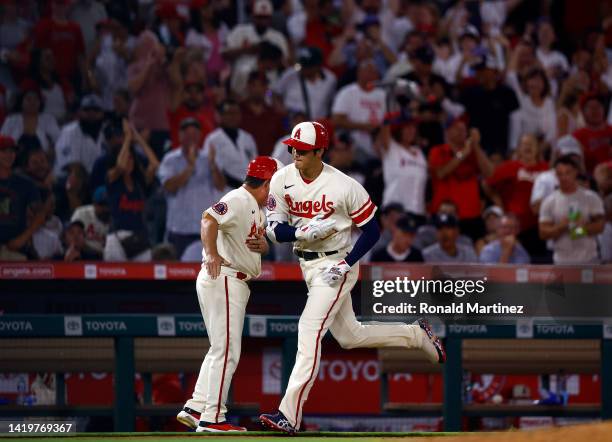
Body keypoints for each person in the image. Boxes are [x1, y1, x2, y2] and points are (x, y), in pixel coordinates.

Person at [259, 121, 445, 434]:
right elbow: (273, 230)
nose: (295, 153)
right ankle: (416, 335)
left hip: (336, 265)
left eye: (303, 150)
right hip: (307, 264)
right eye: (293, 147)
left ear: (320, 151)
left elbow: (373, 230)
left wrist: (347, 263)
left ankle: (288, 415)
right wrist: (301, 230)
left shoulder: (343, 185)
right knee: (350, 336)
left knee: (309, 329)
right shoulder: (282, 178)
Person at [176, 156, 278, 433]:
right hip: (226, 278)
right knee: (228, 351)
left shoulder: (254, 207)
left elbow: (255, 243)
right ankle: (213, 418)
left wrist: (263, 247)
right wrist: (211, 253)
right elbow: (209, 219)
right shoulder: (239, 198)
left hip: (230, 280)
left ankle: (196, 407)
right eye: (275, 184)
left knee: (218, 348)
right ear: (267, 182)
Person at [158, 118, 221, 258]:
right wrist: (190, 167)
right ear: (180, 136)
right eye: (187, 135)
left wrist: (212, 165)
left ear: (200, 137)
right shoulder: (170, 159)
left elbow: (220, 185)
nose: (191, 139)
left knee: (206, 275)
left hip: (204, 230)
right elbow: (169, 186)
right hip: (179, 229)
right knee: (177, 274)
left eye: (195, 135)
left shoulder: (207, 158)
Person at [484, 134, 548, 257]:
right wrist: (499, 203)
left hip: (539, 226)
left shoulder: (546, 169)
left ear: (537, 148)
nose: (528, 147)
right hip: (515, 227)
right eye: (524, 144)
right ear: (518, 149)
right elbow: (487, 183)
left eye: (531, 144)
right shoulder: (510, 167)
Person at [428, 119, 494, 240]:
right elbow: (441, 173)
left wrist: (476, 146)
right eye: (457, 128)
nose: (462, 131)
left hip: (471, 215)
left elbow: (490, 173)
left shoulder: (473, 152)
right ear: (447, 132)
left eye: (464, 129)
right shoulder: (438, 151)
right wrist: (463, 153)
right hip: (445, 214)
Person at [103, 120, 159, 262]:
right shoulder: (112, 179)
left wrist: (138, 139)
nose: (128, 162)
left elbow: (155, 164)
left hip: (138, 237)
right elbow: (120, 167)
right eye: (125, 158)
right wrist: (127, 138)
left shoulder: (139, 183)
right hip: (117, 237)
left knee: (143, 278)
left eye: (131, 159)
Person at [539, 155, 605, 264]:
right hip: (561, 261)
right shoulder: (549, 201)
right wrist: (561, 226)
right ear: (556, 175)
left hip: (588, 260)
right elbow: (543, 233)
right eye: (560, 173)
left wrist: (581, 229)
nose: (564, 177)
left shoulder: (591, 197)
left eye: (567, 172)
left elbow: (600, 226)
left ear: (575, 172)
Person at [224, 0, 289, 98]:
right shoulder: (240, 31)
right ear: (253, 17)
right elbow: (224, 54)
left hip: (268, 92)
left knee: (269, 95)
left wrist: (270, 58)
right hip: (241, 94)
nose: (263, 21)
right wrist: (247, 50)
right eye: (260, 17)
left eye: (266, 18)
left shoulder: (278, 37)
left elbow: (285, 62)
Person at [0, 135, 46, 260]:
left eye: (12, 151)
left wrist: (22, 239)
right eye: (4, 151)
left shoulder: (26, 184)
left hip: (15, 251)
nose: (9, 155)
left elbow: (41, 214)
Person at [331, 59, 386, 159]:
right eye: (369, 71)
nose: (372, 75)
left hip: (380, 145)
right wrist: (363, 126)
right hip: (354, 145)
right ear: (359, 73)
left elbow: (392, 119)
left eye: (374, 72)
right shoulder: (347, 93)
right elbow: (337, 120)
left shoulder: (383, 95)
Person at [377, 119, 427, 217]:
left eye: (413, 128)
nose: (411, 131)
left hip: (418, 211)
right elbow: (384, 132)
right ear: (399, 130)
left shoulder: (419, 152)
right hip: (395, 210)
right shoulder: (392, 148)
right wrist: (389, 118)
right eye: (407, 128)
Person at [203, 100, 257, 190]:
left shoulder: (248, 138)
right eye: (229, 113)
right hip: (224, 191)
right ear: (221, 116)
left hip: (248, 192)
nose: (233, 117)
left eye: (236, 113)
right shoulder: (212, 139)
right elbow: (212, 170)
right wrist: (242, 186)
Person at [272, 46, 337, 120]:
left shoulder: (330, 79)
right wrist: (280, 109)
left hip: (316, 125)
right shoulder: (289, 75)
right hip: (292, 123)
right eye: (302, 65)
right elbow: (273, 94)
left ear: (317, 66)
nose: (303, 69)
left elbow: (332, 103)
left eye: (307, 66)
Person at [53, 94, 105, 176]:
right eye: (87, 110)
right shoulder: (69, 132)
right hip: (65, 181)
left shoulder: (104, 133)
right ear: (79, 112)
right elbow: (73, 167)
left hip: (92, 181)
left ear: (102, 113)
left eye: (96, 110)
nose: (91, 114)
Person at [1, 87, 60, 154]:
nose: (32, 102)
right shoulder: (11, 120)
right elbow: (2, 139)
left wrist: (52, 149)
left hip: (42, 157)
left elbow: (59, 139)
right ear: (21, 102)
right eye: (29, 99)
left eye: (35, 99)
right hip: (14, 158)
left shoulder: (48, 119)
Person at [240, 72, 285, 156]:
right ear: (248, 87)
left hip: (269, 165)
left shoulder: (274, 115)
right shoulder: (238, 112)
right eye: (254, 85)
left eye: (262, 85)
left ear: (266, 88)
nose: (258, 89)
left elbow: (281, 144)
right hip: (243, 165)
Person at [572, 94, 612, 175]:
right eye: (591, 108)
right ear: (583, 112)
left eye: (598, 107)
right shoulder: (577, 136)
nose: (595, 111)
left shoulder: (610, 130)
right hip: (590, 177)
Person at [70, 186, 110, 256]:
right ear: (94, 203)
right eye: (101, 205)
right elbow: (71, 238)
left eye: (107, 205)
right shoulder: (81, 213)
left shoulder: (117, 218)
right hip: (85, 255)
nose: (105, 209)